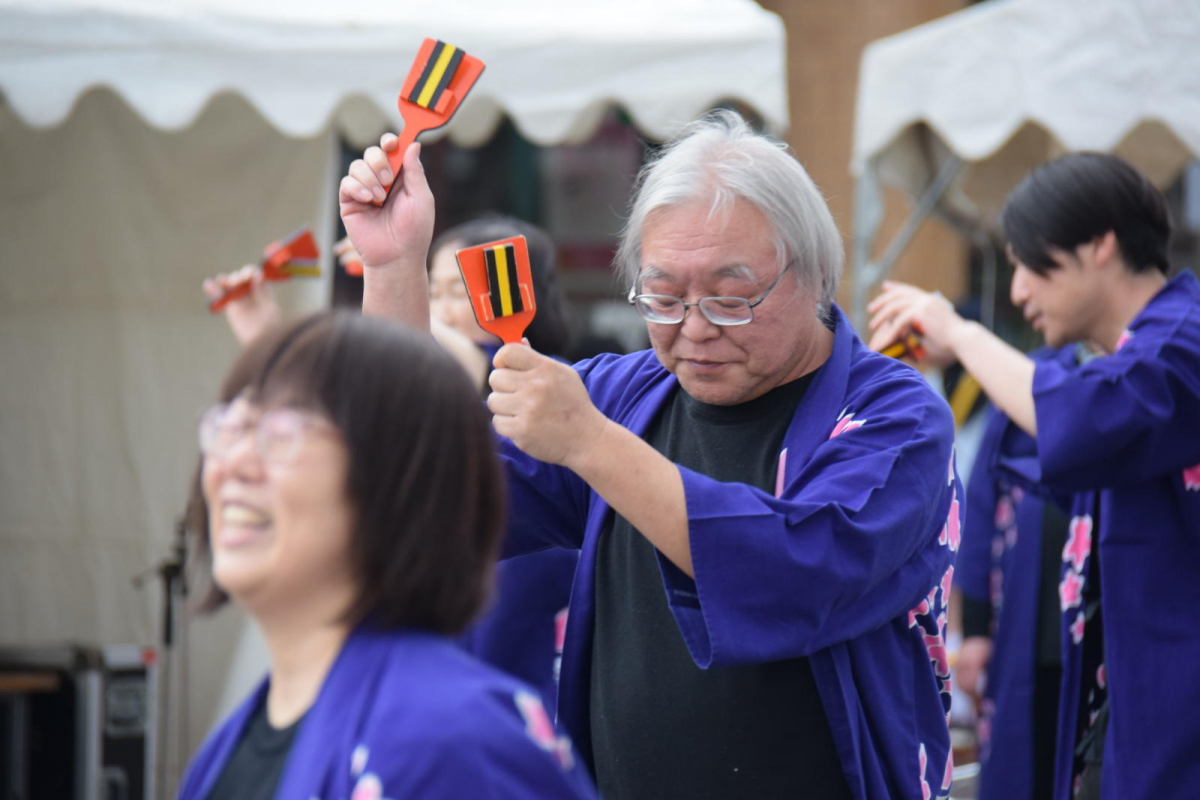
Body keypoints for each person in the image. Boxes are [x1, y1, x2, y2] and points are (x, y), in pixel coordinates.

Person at [341, 112, 962, 800]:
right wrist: (394, 268)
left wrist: (591, 443)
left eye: (729, 299)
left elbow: (799, 571)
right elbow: (432, 492)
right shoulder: (627, 392)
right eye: (662, 297)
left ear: (815, 278)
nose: (693, 329)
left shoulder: (895, 415)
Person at [868, 152, 1200, 800]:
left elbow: (1071, 418)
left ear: (1099, 245)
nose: (1018, 290)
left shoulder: (1182, 343)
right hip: (1136, 705)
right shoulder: (1126, 359)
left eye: (1026, 263)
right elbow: (1055, 427)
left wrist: (962, 334)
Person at [177, 312, 597, 800]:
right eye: (232, 426)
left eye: (282, 433)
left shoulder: (452, 743)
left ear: (397, 485)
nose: (233, 464)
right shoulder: (236, 740)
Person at [202, 222, 578, 718]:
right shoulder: (432, 379)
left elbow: (408, 360)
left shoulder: (534, 379)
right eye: (434, 289)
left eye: (456, 290)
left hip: (516, 612)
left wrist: (393, 274)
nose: (441, 307)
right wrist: (272, 333)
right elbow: (358, 384)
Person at [955, 343, 1089, 800]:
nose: (1021, 290)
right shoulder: (1024, 384)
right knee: (1025, 764)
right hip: (1024, 637)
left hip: (1105, 643)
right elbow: (979, 513)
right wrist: (974, 630)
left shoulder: (1137, 379)